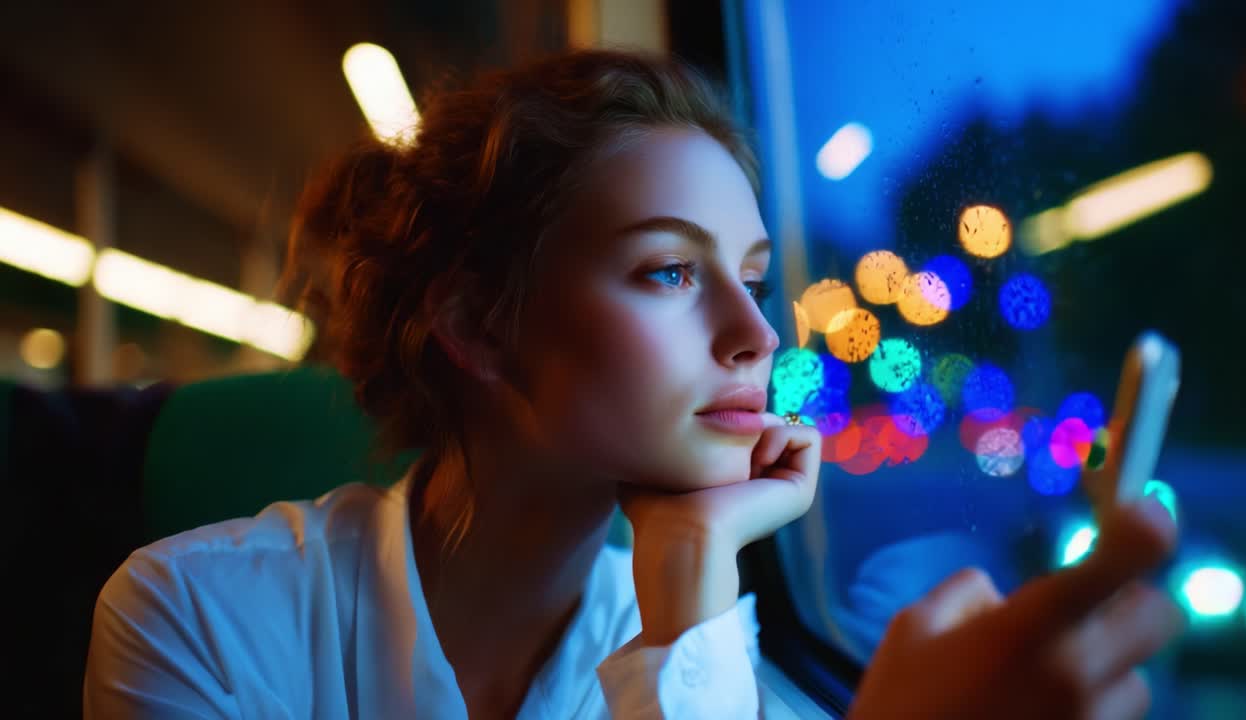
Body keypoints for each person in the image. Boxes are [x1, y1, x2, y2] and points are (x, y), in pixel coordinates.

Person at [83, 49, 1181, 719]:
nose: (754, 333)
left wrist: (695, 559)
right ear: (475, 322)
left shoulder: (708, 642)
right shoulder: (196, 621)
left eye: (752, 280)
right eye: (667, 271)